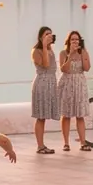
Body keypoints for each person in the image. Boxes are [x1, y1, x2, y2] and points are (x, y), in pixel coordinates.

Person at [57, 30, 90, 150]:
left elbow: (86, 68)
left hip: (79, 84)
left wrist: (83, 55)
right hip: (67, 83)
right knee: (66, 114)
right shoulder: (63, 53)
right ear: (68, 41)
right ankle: (66, 143)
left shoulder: (83, 52)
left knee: (80, 115)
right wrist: (70, 55)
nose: (75, 41)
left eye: (77, 39)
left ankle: (83, 142)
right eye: (72, 39)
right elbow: (63, 69)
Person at [31, 26, 60, 154]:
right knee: (40, 116)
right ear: (41, 37)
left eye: (51, 34)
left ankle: (42, 145)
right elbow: (46, 65)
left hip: (51, 82)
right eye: (46, 34)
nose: (49, 36)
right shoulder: (36, 51)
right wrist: (43, 46)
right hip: (42, 83)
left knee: (45, 116)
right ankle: (40, 145)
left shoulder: (50, 50)